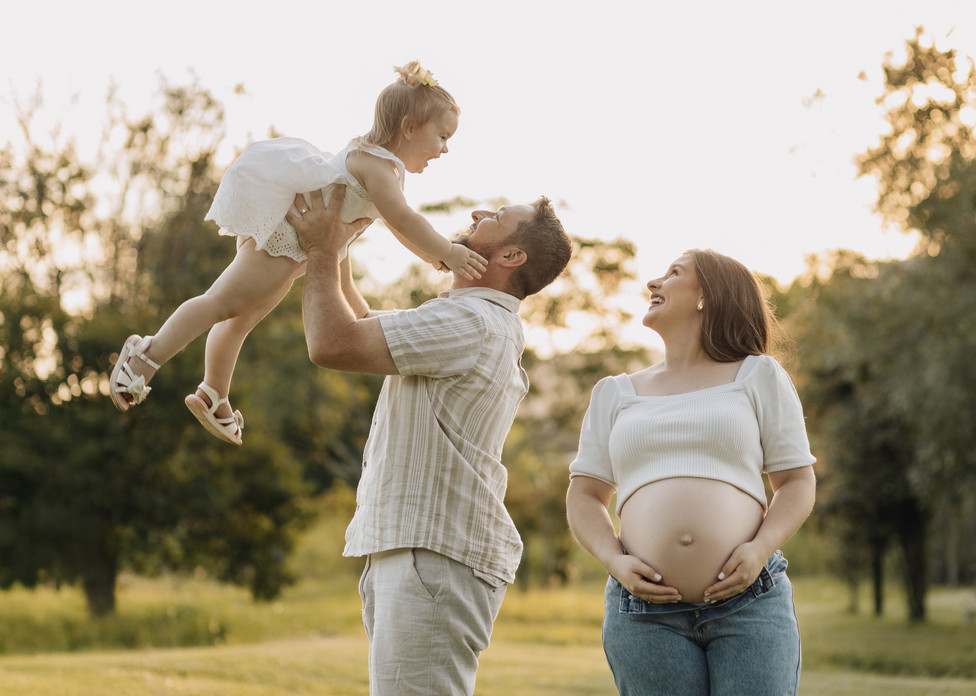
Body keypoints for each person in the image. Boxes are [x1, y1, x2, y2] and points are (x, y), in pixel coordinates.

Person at [286, 182, 571, 696]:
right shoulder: (465, 319)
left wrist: (322, 250)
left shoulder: (471, 322)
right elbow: (363, 323)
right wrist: (340, 244)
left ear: (509, 254)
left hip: (433, 554)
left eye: (497, 214)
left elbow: (332, 341)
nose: (479, 210)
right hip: (424, 550)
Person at [107, 62, 486, 446]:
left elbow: (378, 233)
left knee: (241, 318)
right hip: (283, 243)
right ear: (408, 128)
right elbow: (404, 220)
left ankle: (213, 393)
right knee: (222, 304)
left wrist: (429, 259)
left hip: (295, 250)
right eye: (441, 136)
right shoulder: (375, 166)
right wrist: (447, 252)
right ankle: (145, 354)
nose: (445, 148)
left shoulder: (381, 167)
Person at [566, 249, 818, 696]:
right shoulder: (614, 394)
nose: (653, 282)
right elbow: (585, 496)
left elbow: (797, 483)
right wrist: (615, 561)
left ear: (707, 297)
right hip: (644, 613)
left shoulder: (757, 376)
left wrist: (760, 549)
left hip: (749, 603)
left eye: (674, 273)